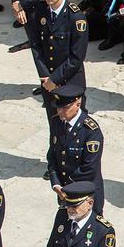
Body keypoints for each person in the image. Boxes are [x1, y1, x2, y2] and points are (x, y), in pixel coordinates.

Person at [30, 0, 89, 119]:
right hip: (48, 79)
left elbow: (76, 57)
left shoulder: (75, 17)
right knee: (55, 122)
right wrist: (45, 75)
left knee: (73, 121)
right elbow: (36, 45)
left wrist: (54, 79)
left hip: (70, 80)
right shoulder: (41, 11)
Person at [46, 85, 105, 213]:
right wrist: (56, 183)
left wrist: (66, 187)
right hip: (64, 192)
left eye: (65, 107)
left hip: (84, 194)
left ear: (78, 104)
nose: (60, 111)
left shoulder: (90, 131)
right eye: (58, 107)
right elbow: (53, 155)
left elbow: (89, 168)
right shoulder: (56, 122)